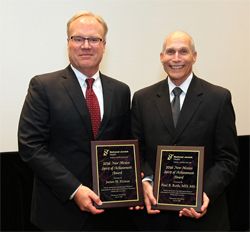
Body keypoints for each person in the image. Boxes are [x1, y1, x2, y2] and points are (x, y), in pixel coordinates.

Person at [18, 11, 133, 231]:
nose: (86, 45)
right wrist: (75, 189)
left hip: (109, 213)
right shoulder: (43, 86)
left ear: (104, 45)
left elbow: (124, 145)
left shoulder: (120, 90)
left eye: (94, 39)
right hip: (59, 212)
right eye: (78, 38)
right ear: (68, 43)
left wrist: (132, 183)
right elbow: (30, 146)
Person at [131, 31, 239, 230]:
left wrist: (203, 193)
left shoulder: (218, 98)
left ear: (194, 56)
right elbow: (138, 152)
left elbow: (228, 158)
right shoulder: (141, 99)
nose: (176, 58)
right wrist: (145, 180)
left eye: (183, 51)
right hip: (155, 218)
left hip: (204, 218)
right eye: (170, 52)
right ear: (161, 57)